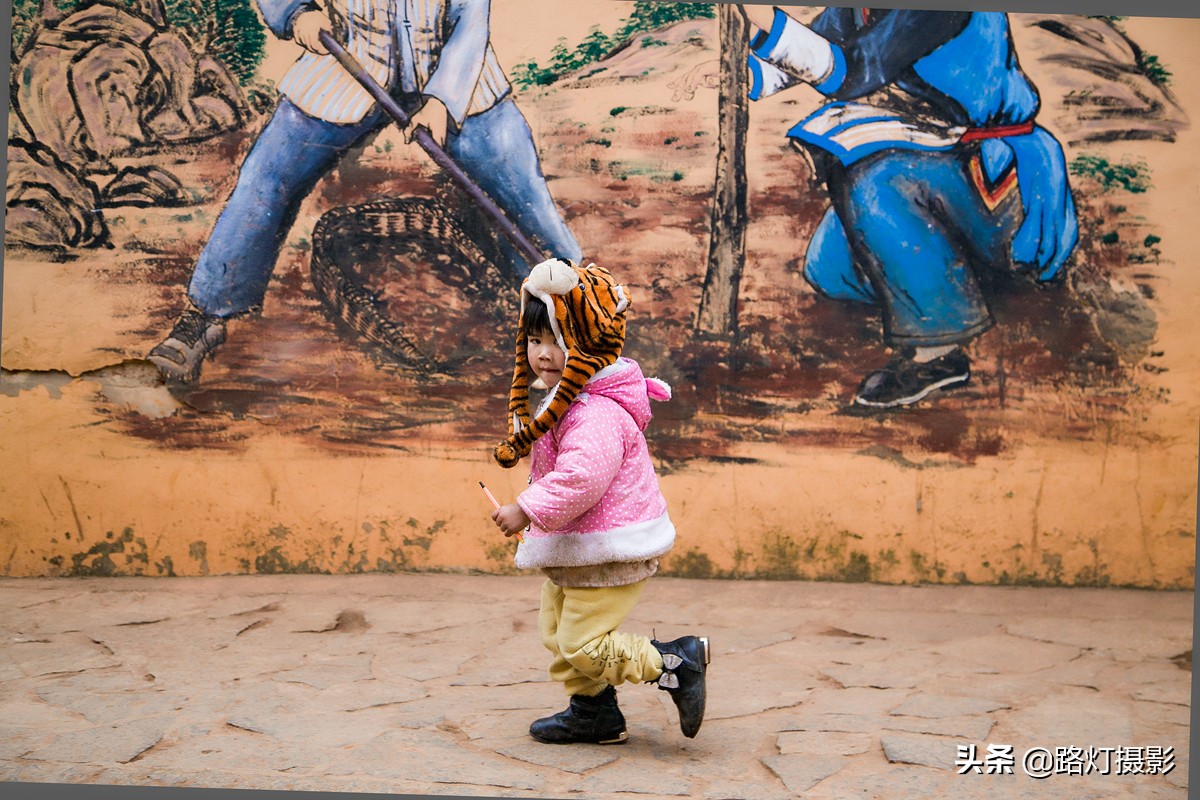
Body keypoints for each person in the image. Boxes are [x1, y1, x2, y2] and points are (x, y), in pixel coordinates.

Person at [148, 0, 582, 384]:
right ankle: (206, 314)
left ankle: (571, 312)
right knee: (268, 175)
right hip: (348, 61)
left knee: (517, 183)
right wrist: (295, 13)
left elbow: (471, 17)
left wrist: (440, 102)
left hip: (454, 74)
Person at [743, 6, 1079, 408]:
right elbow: (811, 49)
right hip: (934, 153)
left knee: (873, 180)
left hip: (990, 174)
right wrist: (742, 74)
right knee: (830, 268)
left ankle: (938, 352)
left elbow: (852, 69)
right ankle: (953, 283)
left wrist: (764, 16)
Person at [489, 258, 710, 744]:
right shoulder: (566, 401)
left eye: (558, 340)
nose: (543, 354)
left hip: (609, 549)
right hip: (578, 547)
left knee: (582, 643)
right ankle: (594, 713)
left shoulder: (596, 413)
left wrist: (525, 509)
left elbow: (582, 477)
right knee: (556, 632)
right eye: (534, 340)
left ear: (589, 342)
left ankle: (675, 661)